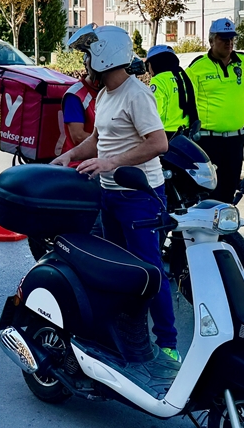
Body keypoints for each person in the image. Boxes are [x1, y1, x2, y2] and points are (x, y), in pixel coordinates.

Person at [51, 26, 179, 369]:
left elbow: (158, 143)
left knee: (150, 270)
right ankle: (126, 335)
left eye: (88, 54)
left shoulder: (136, 94)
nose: (85, 62)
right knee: (120, 271)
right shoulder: (105, 94)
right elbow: (97, 139)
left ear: (105, 55)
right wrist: (70, 156)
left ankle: (168, 344)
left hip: (140, 196)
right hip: (110, 195)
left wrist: (112, 162)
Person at [186, 18, 244, 203]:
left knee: (228, 191)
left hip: (235, 140)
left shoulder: (243, 63)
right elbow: (188, 103)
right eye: (223, 38)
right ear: (211, 40)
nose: (229, 42)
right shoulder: (197, 67)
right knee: (207, 193)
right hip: (208, 141)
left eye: (231, 38)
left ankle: (224, 231)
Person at [61, 24, 100, 152]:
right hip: (79, 163)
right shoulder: (75, 96)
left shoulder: (105, 91)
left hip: (103, 161)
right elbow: (78, 137)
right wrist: (113, 147)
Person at [145, 44, 199, 137]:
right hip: (186, 132)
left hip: (166, 132)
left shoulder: (158, 80)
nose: (148, 70)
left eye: (148, 65)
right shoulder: (184, 77)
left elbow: (156, 110)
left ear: (154, 63)